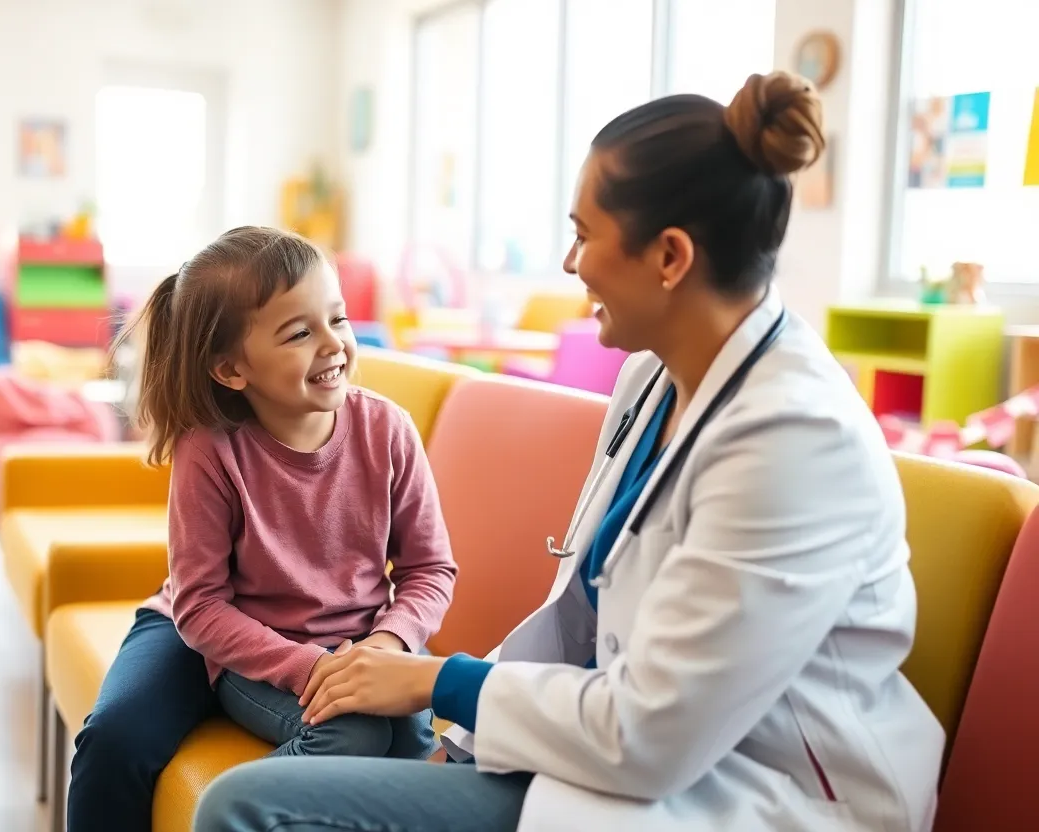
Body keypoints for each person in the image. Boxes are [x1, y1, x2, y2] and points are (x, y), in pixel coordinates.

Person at [192, 72, 945, 832]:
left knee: (243, 807)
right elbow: (582, 618)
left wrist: (437, 683)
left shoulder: (795, 443)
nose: (568, 262)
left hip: (751, 795)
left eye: (583, 234)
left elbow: (650, 733)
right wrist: (462, 733)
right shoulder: (651, 378)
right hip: (609, 760)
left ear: (670, 257)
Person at [66, 227, 458, 831]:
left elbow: (429, 569)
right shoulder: (211, 450)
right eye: (300, 333)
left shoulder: (388, 430)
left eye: (339, 319)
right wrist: (311, 670)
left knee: (407, 735)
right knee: (115, 738)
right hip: (208, 628)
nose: (333, 345)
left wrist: (386, 647)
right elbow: (199, 606)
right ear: (231, 370)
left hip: (355, 641)